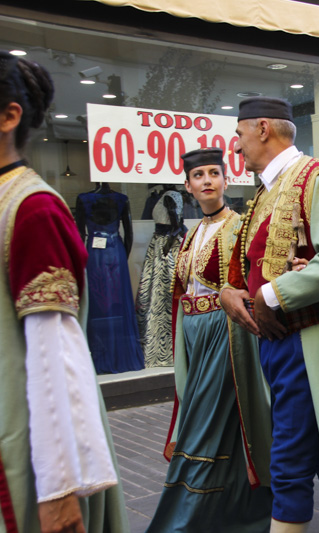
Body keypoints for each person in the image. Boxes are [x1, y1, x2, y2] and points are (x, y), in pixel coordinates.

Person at [219, 97, 319, 533]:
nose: (237, 147)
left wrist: (271, 295)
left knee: (290, 463)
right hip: (279, 347)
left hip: (309, 345)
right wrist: (230, 293)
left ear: (264, 128)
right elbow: (246, 270)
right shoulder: (266, 193)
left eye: (239, 135)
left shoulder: (316, 178)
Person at [0, 51, 128, 532]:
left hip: (23, 441)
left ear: (9, 116)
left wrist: (58, 488)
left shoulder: (32, 209)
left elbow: (55, 355)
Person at [146, 148, 271, 532]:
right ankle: (236, 514)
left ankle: (182, 518)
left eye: (214, 173)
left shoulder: (241, 226)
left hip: (225, 335)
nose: (207, 181)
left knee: (202, 423)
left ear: (225, 180)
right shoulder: (192, 233)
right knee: (222, 424)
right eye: (198, 176)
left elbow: (256, 277)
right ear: (188, 186)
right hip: (195, 337)